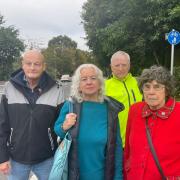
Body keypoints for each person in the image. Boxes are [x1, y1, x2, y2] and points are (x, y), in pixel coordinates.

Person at [0, 50, 64, 180]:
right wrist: (2, 157)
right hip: (16, 159)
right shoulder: (9, 87)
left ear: (44, 66)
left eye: (37, 64)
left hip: (47, 158)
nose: (32, 67)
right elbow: (2, 125)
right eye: (28, 63)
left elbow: (61, 126)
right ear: (22, 65)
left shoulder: (57, 89)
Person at [54, 64, 124, 180]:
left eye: (93, 78)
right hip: (73, 175)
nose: (89, 82)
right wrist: (64, 126)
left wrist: (118, 177)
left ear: (100, 83)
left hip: (102, 175)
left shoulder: (110, 108)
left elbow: (116, 147)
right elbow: (58, 131)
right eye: (84, 79)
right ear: (78, 86)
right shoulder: (70, 105)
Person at [124, 65, 180, 179]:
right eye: (147, 87)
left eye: (157, 87)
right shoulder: (135, 110)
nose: (151, 92)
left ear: (167, 90)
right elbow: (128, 151)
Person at [105, 50, 142, 147]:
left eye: (124, 65)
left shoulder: (140, 83)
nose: (121, 68)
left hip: (140, 140)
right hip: (116, 142)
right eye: (117, 65)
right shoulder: (104, 87)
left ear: (129, 65)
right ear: (111, 66)